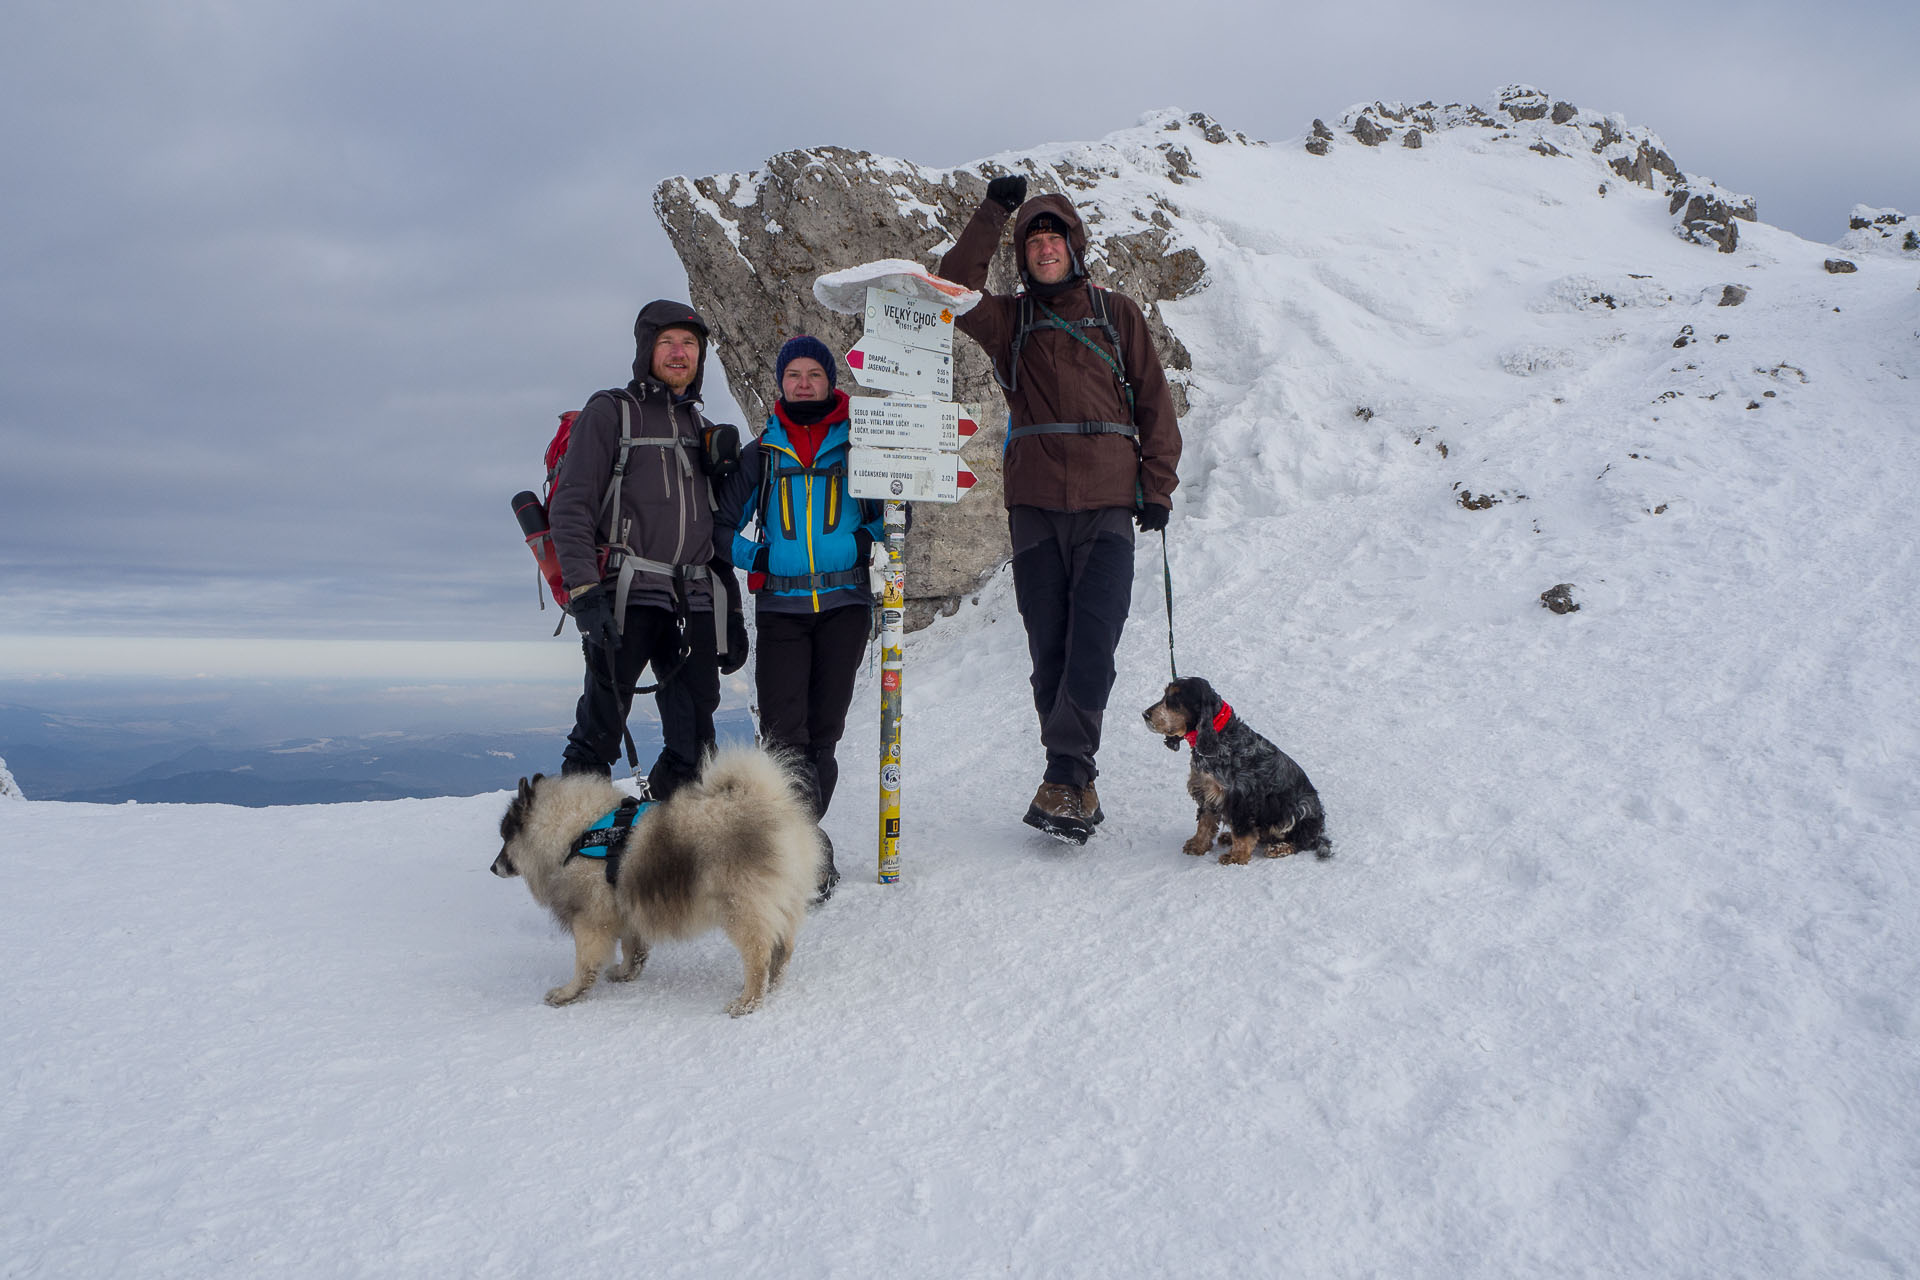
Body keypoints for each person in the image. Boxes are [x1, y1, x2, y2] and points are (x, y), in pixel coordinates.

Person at [939, 176, 1182, 845]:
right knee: (1050, 648)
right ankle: (1070, 781)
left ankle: (1066, 775)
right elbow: (954, 286)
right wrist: (995, 213)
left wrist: (1156, 488)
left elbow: (1155, 403)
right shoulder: (1009, 320)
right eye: (1034, 239)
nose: (1045, 247)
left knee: (1092, 646)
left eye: (1055, 237)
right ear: (1024, 255)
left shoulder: (1116, 314)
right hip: (1036, 506)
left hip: (1106, 502)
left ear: (1075, 245)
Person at [548, 300, 747, 798]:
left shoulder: (702, 430)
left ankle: (662, 839)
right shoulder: (611, 412)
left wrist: (733, 614)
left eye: (691, 344)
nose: (680, 353)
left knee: (696, 740)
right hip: (626, 593)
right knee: (599, 730)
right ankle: (575, 849)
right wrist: (584, 590)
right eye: (667, 342)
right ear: (646, 349)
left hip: (694, 599)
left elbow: (713, 529)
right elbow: (571, 505)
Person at [716, 335, 883, 901]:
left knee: (824, 733)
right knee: (784, 734)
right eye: (795, 375)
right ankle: (800, 844)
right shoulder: (761, 454)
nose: (805, 383)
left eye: (815, 373)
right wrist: (755, 556)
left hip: (845, 605)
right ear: (780, 383)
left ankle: (799, 843)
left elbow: (894, 513)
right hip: (782, 608)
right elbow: (718, 527)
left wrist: (866, 538)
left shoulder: (862, 445)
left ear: (831, 381)